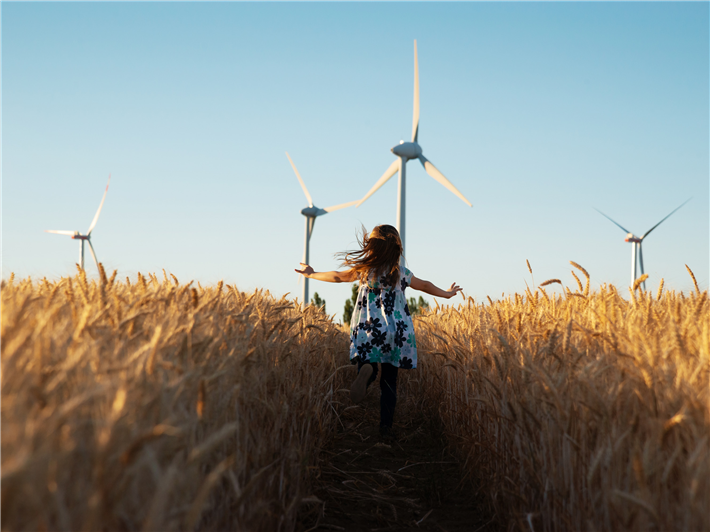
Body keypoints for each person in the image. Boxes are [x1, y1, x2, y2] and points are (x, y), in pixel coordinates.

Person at [295, 224, 462, 438]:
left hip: (369, 328)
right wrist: (446, 294)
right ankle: (385, 428)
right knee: (390, 380)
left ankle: (367, 372)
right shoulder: (401, 273)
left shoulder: (365, 270)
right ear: (397, 249)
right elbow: (425, 285)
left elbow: (339, 276)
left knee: (369, 362)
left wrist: (312, 274)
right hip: (395, 332)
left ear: (371, 247)